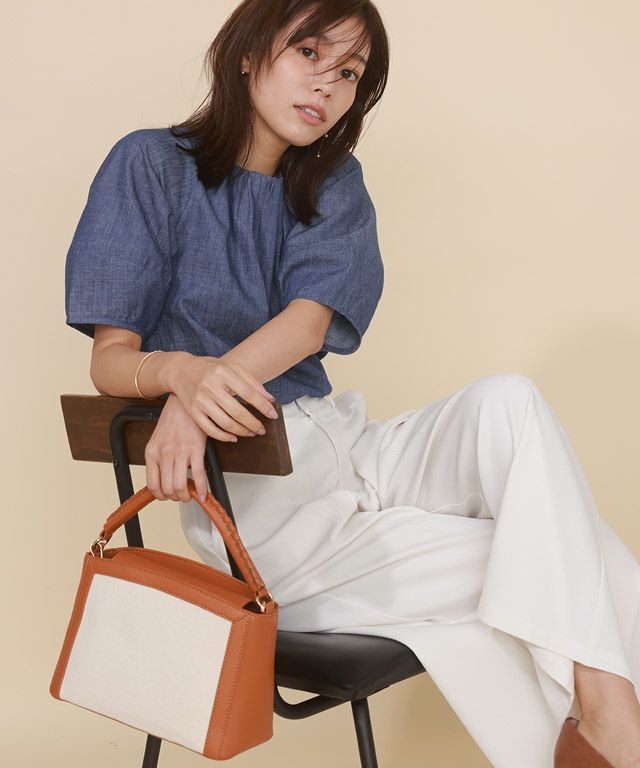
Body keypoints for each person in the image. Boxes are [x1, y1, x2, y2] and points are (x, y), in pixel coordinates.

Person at [63, 1, 640, 766]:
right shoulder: (149, 164)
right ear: (247, 52)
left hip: (349, 454)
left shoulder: (332, 179)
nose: (327, 85)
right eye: (308, 53)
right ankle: (615, 728)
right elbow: (111, 359)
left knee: (511, 401)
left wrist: (202, 398)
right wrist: (183, 381)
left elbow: (307, 325)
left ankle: (609, 724)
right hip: (265, 518)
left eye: (349, 72)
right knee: (559, 546)